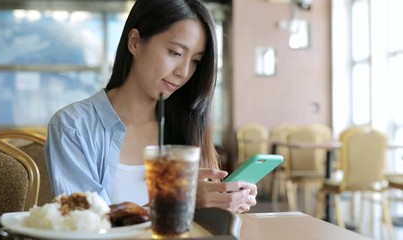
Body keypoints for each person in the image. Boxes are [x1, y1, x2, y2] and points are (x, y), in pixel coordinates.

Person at [45, 0, 257, 213]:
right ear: (135, 42)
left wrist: (223, 202)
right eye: (175, 52)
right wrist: (180, 201)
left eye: (195, 61)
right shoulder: (73, 126)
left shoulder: (187, 126)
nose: (183, 72)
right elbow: (83, 223)